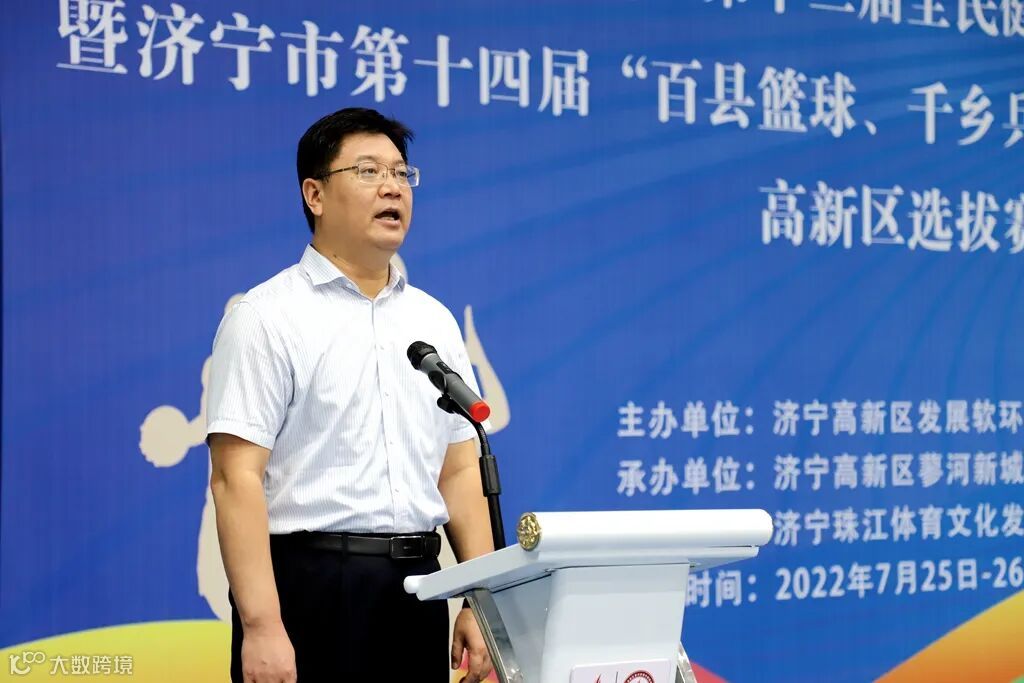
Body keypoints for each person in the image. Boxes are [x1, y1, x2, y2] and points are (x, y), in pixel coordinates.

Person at [206, 107, 494, 683]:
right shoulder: (266, 317)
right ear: (314, 194)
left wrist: (479, 599)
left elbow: (460, 469)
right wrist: (262, 625)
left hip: (417, 587)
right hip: (310, 590)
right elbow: (236, 479)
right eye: (368, 171)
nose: (392, 187)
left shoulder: (433, 321)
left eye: (401, 173)